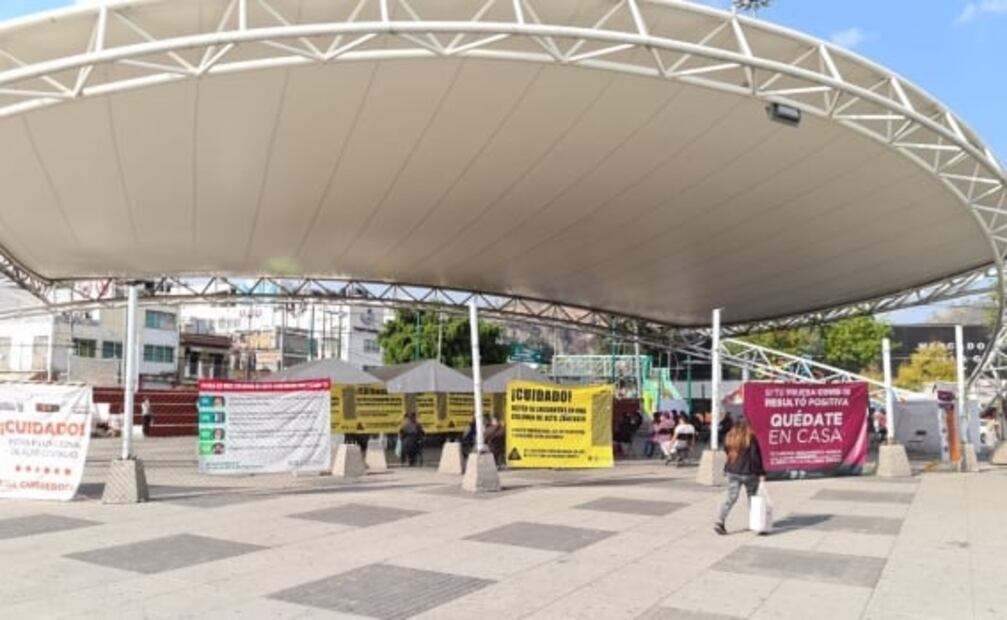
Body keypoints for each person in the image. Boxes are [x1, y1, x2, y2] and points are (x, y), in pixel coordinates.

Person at [714, 417, 765, 535]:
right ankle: (757, 525)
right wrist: (761, 472)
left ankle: (720, 521)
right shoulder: (751, 438)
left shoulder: (729, 437)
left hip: (733, 471)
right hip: (749, 472)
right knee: (752, 499)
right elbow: (755, 457)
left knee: (731, 497)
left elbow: (727, 452)